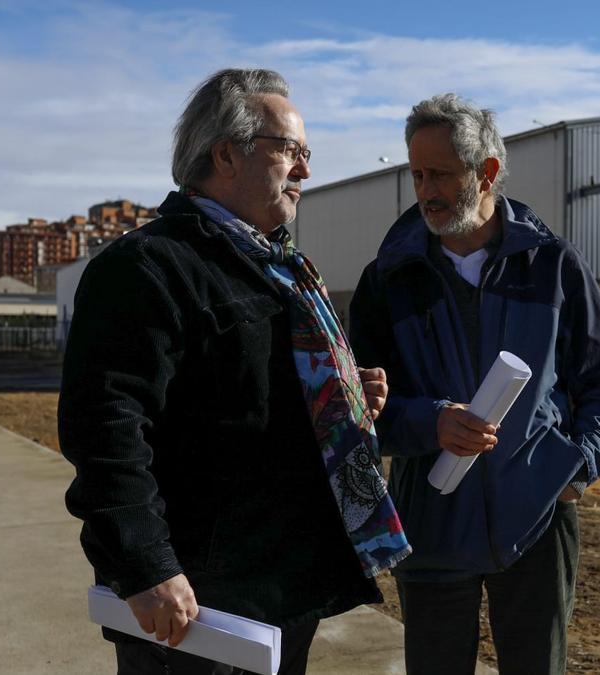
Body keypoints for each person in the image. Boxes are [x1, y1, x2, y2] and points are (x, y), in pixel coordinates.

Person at [59, 68, 409, 675]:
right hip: (198, 601)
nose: (305, 170)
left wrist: (341, 397)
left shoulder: (277, 266)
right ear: (227, 153)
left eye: (307, 154)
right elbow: (106, 428)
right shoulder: (148, 267)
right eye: (292, 152)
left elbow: (248, 394)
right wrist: (148, 567)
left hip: (281, 583)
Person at [348, 93, 600, 675]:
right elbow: (359, 408)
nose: (426, 190)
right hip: (431, 522)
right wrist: (431, 422)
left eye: (442, 175)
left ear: (488, 172)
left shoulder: (552, 266)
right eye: (418, 174)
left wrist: (580, 466)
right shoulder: (387, 281)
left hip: (537, 521)